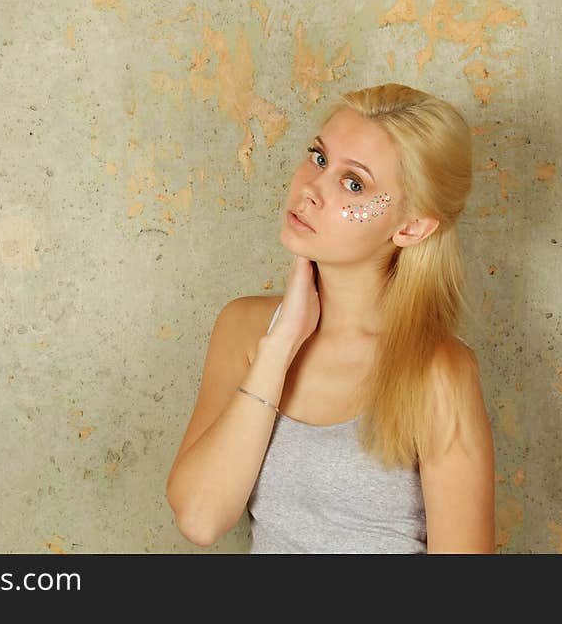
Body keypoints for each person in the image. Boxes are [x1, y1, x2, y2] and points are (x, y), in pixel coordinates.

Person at [165, 83, 495, 553]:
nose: (311, 189)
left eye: (354, 182)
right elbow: (199, 518)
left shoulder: (437, 371)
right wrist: (278, 347)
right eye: (319, 159)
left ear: (411, 226)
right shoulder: (243, 327)